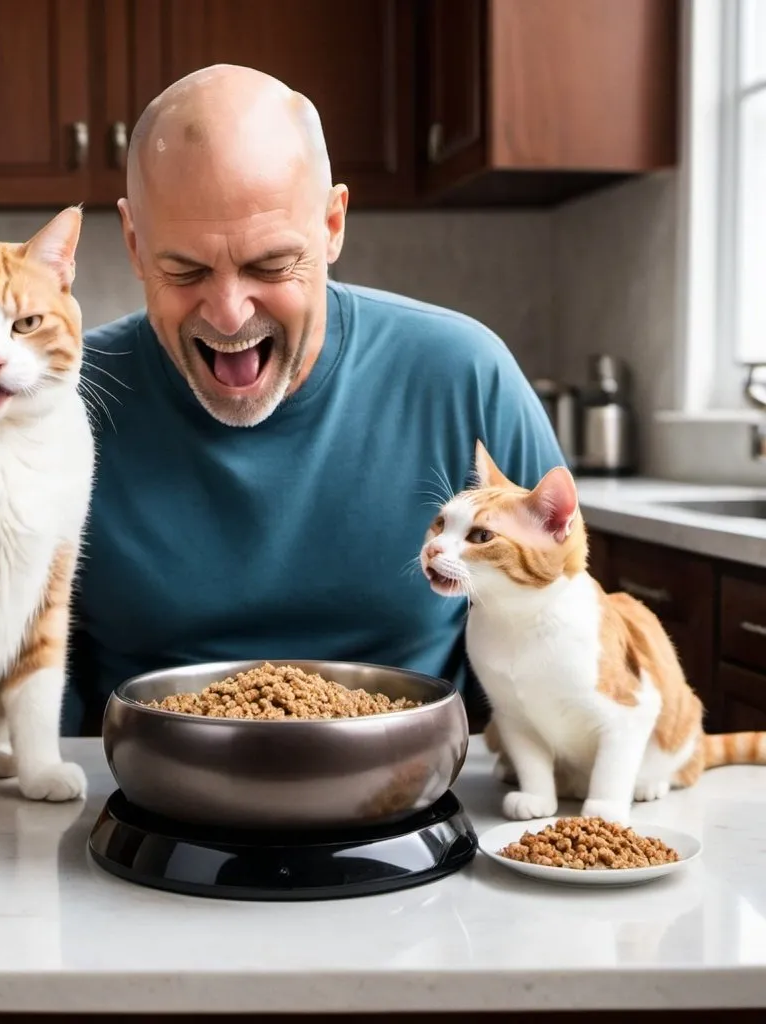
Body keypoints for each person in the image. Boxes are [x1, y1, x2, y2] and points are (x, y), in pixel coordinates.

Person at [63, 65, 564, 735]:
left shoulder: (463, 376)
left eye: (270, 265)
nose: (230, 313)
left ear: (332, 225)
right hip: (142, 795)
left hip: (406, 788)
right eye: (184, 271)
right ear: (133, 244)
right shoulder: (60, 399)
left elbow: (556, 632)